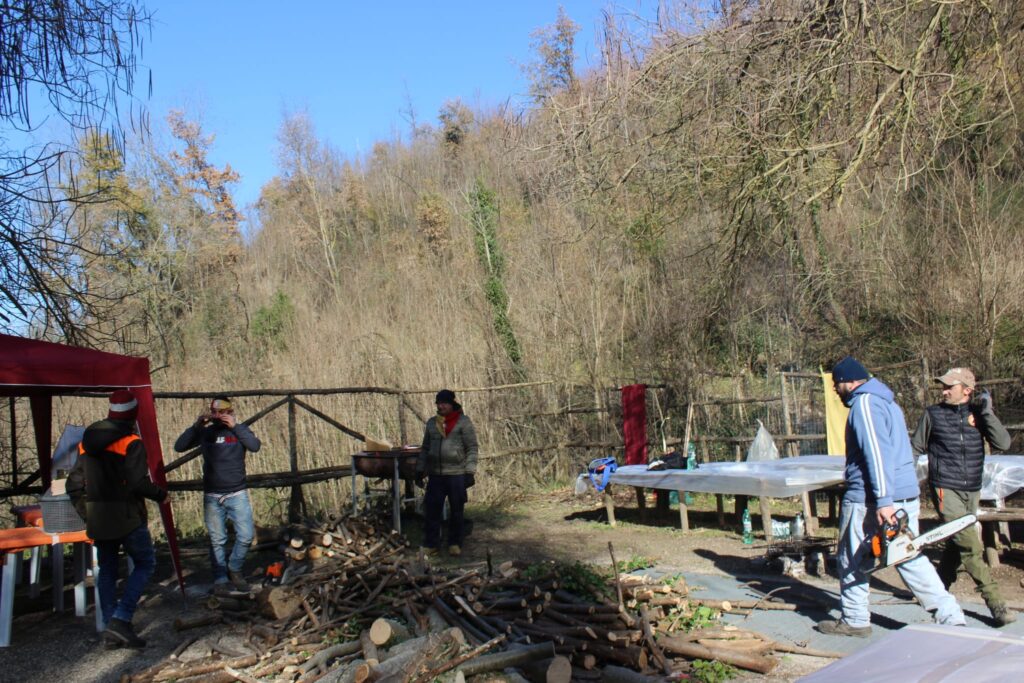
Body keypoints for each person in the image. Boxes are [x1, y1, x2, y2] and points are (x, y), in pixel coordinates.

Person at [816, 356, 965, 637]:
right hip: (902, 494)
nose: (835, 389)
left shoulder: (865, 404)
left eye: (837, 383)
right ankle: (950, 616)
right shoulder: (887, 403)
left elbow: (876, 452)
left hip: (871, 500)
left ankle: (856, 620)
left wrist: (884, 501)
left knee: (851, 559)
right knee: (908, 556)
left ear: (850, 381)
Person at [912, 367, 1015, 625]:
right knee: (970, 545)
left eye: (950, 386)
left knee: (955, 542)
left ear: (966, 390)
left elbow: (1003, 443)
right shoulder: (932, 414)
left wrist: (986, 412)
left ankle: (938, 589)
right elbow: (915, 449)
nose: (944, 391)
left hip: (972, 488)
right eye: (943, 387)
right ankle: (996, 603)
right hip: (945, 486)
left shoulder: (978, 414)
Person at [67, 390, 166, 649]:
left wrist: (87, 512)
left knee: (108, 571)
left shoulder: (86, 442)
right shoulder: (132, 442)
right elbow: (137, 482)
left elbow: (73, 484)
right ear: (133, 414)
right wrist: (161, 495)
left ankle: (112, 627)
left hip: (99, 519)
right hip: (127, 516)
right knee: (145, 563)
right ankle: (120, 620)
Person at [174, 396, 261, 590]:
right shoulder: (206, 433)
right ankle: (220, 576)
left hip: (237, 492)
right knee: (217, 539)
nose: (217, 416)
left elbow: (255, 446)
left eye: (222, 412)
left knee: (246, 535)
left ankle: (234, 568)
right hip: (212, 494)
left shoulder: (240, 431)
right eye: (214, 412)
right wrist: (196, 425)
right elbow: (179, 446)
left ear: (230, 412)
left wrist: (235, 427)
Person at [416, 389, 478, 557]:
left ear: (452, 404)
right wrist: (420, 469)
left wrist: (470, 471)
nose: (440, 406)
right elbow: (426, 448)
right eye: (438, 403)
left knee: (457, 510)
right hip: (436, 474)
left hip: (457, 473)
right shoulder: (432, 423)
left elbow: (472, 447)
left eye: (444, 403)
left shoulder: (463, 422)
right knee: (432, 510)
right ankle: (431, 544)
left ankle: (455, 543)